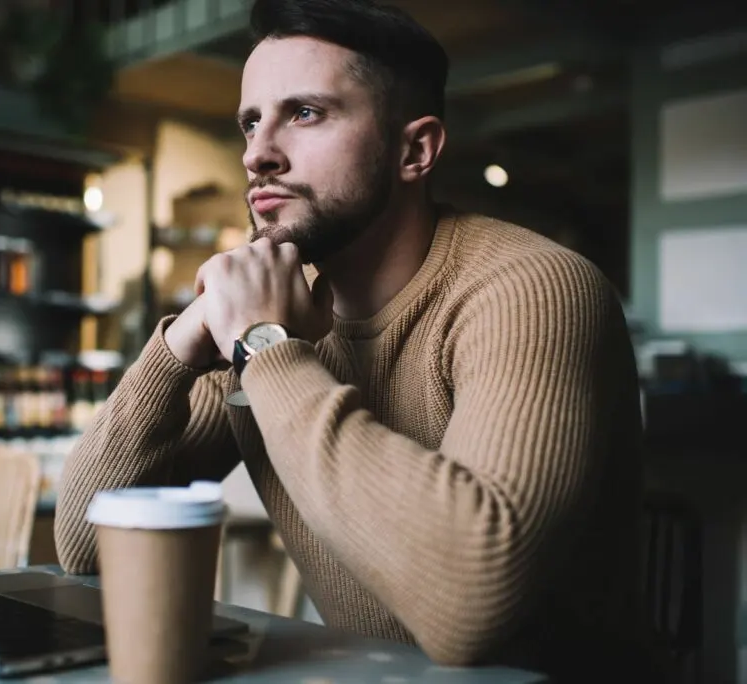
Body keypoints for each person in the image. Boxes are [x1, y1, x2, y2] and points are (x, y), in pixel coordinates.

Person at [56, 0, 656, 679]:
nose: (258, 153)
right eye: (251, 122)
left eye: (304, 113)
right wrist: (176, 350)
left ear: (414, 150)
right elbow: (85, 545)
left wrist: (265, 348)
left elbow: (469, 608)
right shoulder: (272, 308)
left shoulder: (535, 288)